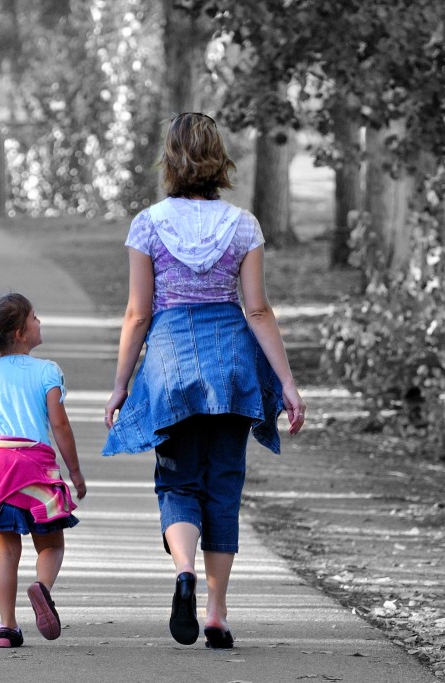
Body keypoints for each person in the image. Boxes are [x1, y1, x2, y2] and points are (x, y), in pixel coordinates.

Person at [102, 112, 306, 650]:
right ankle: (215, 612)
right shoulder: (243, 226)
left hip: (171, 366)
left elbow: (137, 313)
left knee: (177, 482)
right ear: (219, 158)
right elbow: (257, 310)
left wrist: (122, 384)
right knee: (223, 485)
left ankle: (183, 573)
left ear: (169, 160)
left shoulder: (148, 224)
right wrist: (286, 382)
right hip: (232, 366)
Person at [0, 293, 87, 649]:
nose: (40, 323)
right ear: (19, 332)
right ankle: (41, 588)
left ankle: (7, 627)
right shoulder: (47, 371)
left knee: (6, 553)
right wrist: (74, 471)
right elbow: (61, 427)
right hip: (33, 469)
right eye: (35, 318)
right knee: (52, 545)